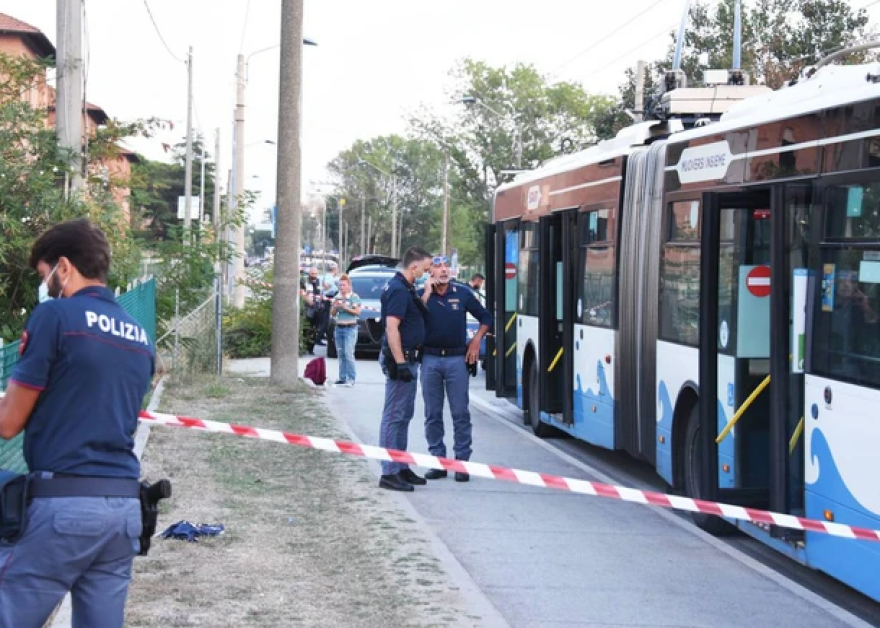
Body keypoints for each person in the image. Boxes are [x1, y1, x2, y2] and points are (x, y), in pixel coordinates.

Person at [0, 219, 155, 627]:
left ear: (63, 267)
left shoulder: (55, 317)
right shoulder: (138, 335)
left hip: (64, 509)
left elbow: (8, 423)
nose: (45, 285)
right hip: (123, 511)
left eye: (44, 275)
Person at [420, 255, 492, 482]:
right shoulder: (422, 295)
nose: (443, 270)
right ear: (429, 272)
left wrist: (477, 340)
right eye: (437, 267)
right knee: (432, 413)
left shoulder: (462, 293)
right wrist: (426, 294)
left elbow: (486, 317)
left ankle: (461, 462)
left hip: (456, 361)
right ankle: (438, 461)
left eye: (446, 267)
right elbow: (412, 318)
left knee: (460, 412)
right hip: (430, 359)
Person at [377, 246, 433, 491]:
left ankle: (400, 465)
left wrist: (427, 294)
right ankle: (389, 472)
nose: (427, 273)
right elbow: (392, 329)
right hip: (401, 359)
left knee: (404, 416)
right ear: (414, 267)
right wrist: (400, 363)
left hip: (409, 358)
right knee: (393, 417)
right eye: (426, 269)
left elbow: (412, 316)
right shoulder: (399, 289)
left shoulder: (405, 287)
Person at [330, 274, 362, 387]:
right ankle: (342, 377)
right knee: (341, 353)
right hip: (339, 327)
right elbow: (333, 314)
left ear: (349, 286)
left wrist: (345, 308)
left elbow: (357, 312)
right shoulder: (337, 297)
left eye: (344, 285)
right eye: (340, 285)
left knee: (348, 353)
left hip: (350, 328)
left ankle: (351, 378)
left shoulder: (354, 297)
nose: (342, 287)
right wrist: (335, 307)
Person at [302, 267, 326, 353]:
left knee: (315, 329)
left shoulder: (320, 282)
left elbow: (322, 293)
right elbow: (302, 293)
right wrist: (308, 301)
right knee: (307, 328)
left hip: (318, 308)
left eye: (315, 274)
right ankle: (304, 347)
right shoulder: (305, 281)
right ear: (309, 274)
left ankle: (311, 348)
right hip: (308, 308)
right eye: (312, 274)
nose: (314, 276)